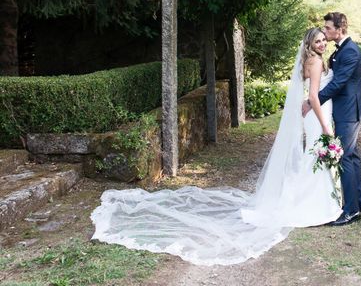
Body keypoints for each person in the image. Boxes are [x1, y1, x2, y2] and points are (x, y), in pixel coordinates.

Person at [90, 28, 341, 266]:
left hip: (311, 116)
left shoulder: (309, 60)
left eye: (323, 40)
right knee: (313, 156)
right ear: (309, 43)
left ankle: (307, 199)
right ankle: (312, 204)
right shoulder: (316, 62)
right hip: (316, 116)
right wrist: (326, 126)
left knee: (311, 156)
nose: (322, 43)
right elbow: (313, 97)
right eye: (317, 40)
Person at [303, 12, 361, 226]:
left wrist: (312, 102)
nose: (325, 31)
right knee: (353, 156)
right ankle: (358, 202)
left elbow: (337, 83)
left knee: (346, 157)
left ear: (340, 29)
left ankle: (350, 212)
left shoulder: (350, 52)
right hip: (344, 110)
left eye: (328, 28)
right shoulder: (340, 51)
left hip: (348, 112)